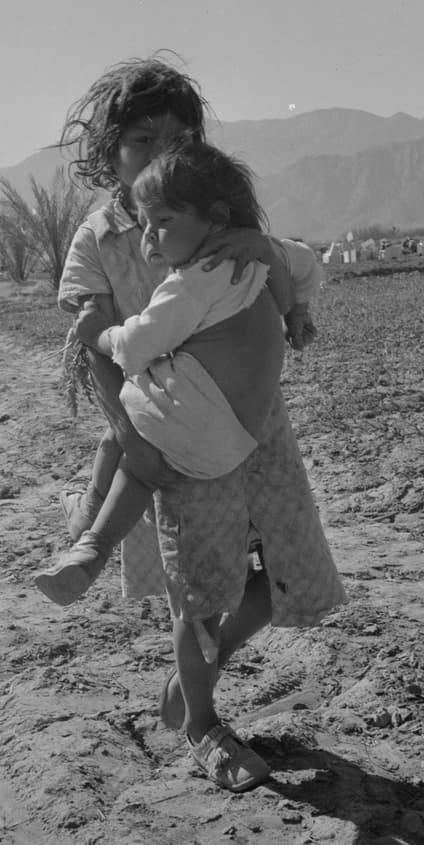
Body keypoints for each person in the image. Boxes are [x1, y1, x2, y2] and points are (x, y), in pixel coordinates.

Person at [51, 54, 343, 792]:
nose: (159, 155)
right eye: (141, 141)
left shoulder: (220, 216)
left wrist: (275, 268)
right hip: (166, 429)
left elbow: (286, 279)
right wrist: (127, 432)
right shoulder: (100, 238)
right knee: (199, 587)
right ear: (109, 151)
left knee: (284, 574)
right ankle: (207, 726)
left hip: (256, 427)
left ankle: (194, 683)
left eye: (175, 138)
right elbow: (95, 345)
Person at [34, 140, 319, 606]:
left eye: (161, 224)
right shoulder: (259, 252)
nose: (149, 239)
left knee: (131, 455)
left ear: (214, 216)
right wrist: (297, 311)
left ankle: (90, 541)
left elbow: (136, 344)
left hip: (189, 421)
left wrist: (99, 335)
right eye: (147, 225)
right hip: (240, 431)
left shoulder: (193, 280)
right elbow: (306, 264)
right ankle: (85, 522)